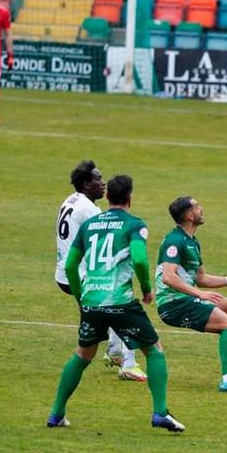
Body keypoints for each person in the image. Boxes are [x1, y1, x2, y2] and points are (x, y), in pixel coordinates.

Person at [47, 175, 185, 432]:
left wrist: (81, 298)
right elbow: (141, 261)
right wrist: (146, 289)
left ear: (108, 197)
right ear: (129, 198)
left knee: (83, 355)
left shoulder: (90, 224)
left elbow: (70, 265)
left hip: (91, 301)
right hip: (120, 302)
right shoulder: (134, 225)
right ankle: (160, 413)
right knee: (154, 350)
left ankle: (56, 414)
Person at [155, 196, 227, 394]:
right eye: (197, 206)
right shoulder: (175, 241)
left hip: (184, 299)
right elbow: (168, 277)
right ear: (189, 215)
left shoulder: (192, 242)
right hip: (173, 304)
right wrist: (199, 294)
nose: (201, 209)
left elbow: (201, 277)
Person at [55, 160, 147, 382]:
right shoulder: (89, 209)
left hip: (63, 273)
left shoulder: (70, 200)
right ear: (87, 184)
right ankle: (129, 364)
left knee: (109, 305)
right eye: (98, 179)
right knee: (121, 299)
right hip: (79, 273)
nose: (102, 183)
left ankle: (115, 351)